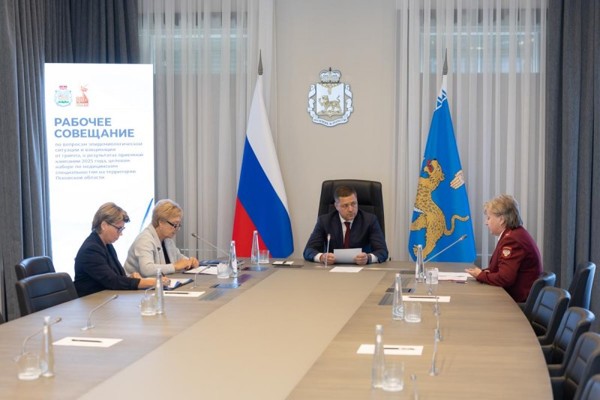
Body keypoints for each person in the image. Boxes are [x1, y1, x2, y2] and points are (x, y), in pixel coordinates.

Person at [74, 202, 169, 297]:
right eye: (119, 229)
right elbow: (112, 281)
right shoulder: (91, 250)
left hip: (105, 298)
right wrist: (153, 282)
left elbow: (116, 276)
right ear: (104, 225)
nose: (121, 234)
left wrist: (130, 278)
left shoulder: (107, 245)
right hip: (92, 301)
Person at [465, 194, 542, 302]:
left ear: (501, 219)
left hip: (515, 302)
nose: (486, 223)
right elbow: (498, 270)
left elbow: (505, 278)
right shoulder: (514, 234)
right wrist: (482, 273)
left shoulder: (512, 240)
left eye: (489, 218)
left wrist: (481, 275)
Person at [303, 185, 388, 265]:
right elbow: (308, 250)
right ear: (336, 206)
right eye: (345, 206)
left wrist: (368, 258)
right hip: (331, 269)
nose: (350, 209)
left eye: (353, 204)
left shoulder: (370, 220)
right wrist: (322, 257)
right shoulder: (324, 221)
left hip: (362, 269)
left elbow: (382, 251)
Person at [124, 199, 199, 277]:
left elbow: (178, 258)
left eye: (178, 225)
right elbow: (147, 269)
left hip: (160, 282)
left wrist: (189, 262)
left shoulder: (167, 239)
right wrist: (174, 266)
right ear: (161, 222)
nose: (177, 229)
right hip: (136, 284)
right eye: (174, 224)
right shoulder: (145, 240)